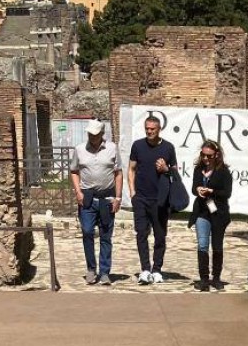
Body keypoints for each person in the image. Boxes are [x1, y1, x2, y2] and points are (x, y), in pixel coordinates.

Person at [70, 119, 123, 286]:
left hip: (107, 197)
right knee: (87, 232)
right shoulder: (79, 149)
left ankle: (105, 271)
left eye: (95, 135)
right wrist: (78, 191)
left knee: (106, 236)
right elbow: (74, 171)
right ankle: (91, 269)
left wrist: (118, 197)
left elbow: (118, 173)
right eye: (89, 134)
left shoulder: (112, 148)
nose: (92, 137)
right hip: (87, 197)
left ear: (101, 134)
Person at [128, 115, 177, 285]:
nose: (149, 131)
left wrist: (166, 169)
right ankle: (145, 269)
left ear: (159, 129)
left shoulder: (168, 148)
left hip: (160, 199)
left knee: (160, 236)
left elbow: (175, 173)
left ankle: (157, 269)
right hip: (141, 198)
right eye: (147, 128)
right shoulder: (138, 146)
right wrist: (132, 192)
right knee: (141, 233)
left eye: (152, 129)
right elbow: (131, 169)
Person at [188, 140, 233, 291]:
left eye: (209, 155)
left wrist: (212, 191)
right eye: (203, 155)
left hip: (218, 212)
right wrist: (198, 189)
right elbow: (194, 187)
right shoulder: (198, 169)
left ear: (216, 155)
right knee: (202, 245)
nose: (205, 158)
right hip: (202, 211)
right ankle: (204, 279)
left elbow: (227, 193)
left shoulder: (223, 172)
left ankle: (217, 278)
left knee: (217, 245)